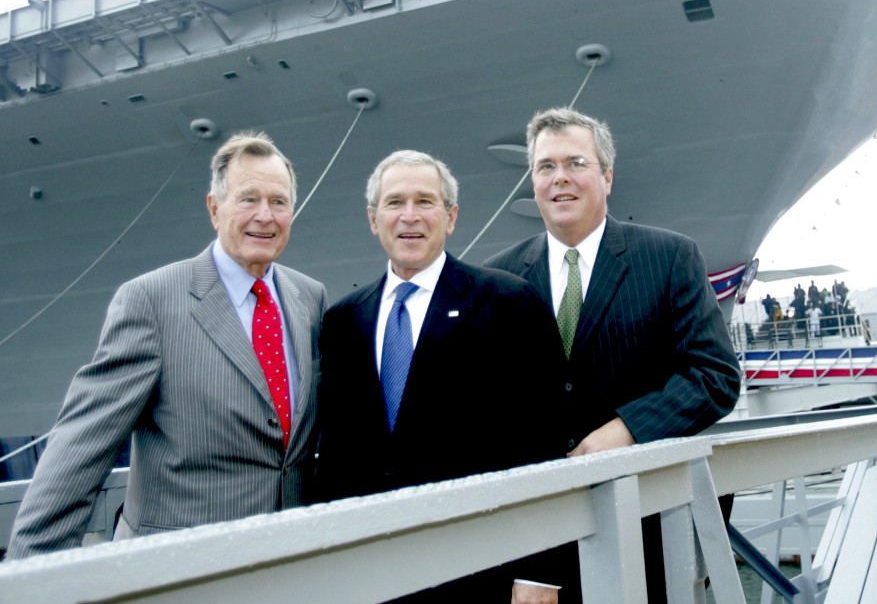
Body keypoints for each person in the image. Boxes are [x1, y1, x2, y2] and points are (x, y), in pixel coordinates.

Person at [6, 132, 328, 559]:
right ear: (215, 209)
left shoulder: (309, 298)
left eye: (279, 202)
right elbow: (82, 445)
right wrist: (28, 573)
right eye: (248, 199)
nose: (265, 216)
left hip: (288, 564)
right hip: (179, 567)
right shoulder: (151, 301)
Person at [485, 107, 741, 601]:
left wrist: (626, 429)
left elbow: (714, 376)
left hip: (650, 527)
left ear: (606, 176)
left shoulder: (668, 258)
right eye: (545, 167)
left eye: (576, 163)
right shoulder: (500, 279)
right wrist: (526, 569)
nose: (560, 178)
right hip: (543, 537)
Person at [316, 150, 565, 603]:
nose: (409, 216)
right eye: (394, 203)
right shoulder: (343, 319)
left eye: (425, 201)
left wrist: (540, 572)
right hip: (372, 572)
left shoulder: (506, 303)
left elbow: (543, 441)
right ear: (373, 219)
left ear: (450, 217)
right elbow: (334, 455)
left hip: (481, 570)